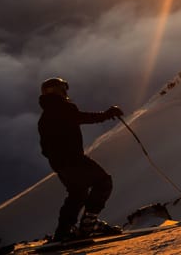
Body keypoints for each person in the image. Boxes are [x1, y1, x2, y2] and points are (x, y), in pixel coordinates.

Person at [38, 77, 124, 241]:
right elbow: (82, 117)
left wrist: (57, 159)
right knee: (103, 182)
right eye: (64, 88)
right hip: (74, 159)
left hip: (59, 164)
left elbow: (44, 148)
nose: (66, 92)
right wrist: (107, 114)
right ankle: (88, 225)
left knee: (77, 193)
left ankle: (64, 231)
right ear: (59, 90)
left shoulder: (45, 116)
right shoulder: (62, 107)